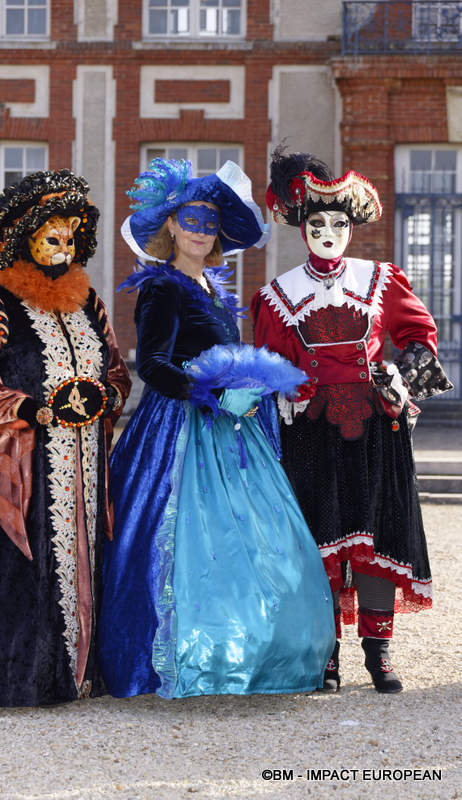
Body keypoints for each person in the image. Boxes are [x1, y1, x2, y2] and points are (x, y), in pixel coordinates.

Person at [97, 158, 335, 699]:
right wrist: (208, 391)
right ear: (171, 226)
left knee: (244, 544)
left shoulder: (210, 288)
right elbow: (152, 365)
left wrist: (245, 393)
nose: (201, 231)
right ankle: (173, 658)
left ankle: (243, 653)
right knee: (183, 543)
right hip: (179, 430)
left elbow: (228, 353)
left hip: (232, 431)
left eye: (210, 222)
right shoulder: (162, 287)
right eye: (191, 220)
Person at [251, 149, 453, 694]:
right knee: (321, 537)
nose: (328, 232)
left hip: (375, 425)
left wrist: (401, 383)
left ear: (352, 226)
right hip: (310, 428)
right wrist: (287, 388)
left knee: (375, 533)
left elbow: (420, 337)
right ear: (301, 227)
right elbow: (270, 364)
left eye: (339, 223)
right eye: (317, 223)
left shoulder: (382, 279)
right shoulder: (275, 297)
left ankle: (378, 651)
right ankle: (326, 651)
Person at [0, 169, 131, 707]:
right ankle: (20, 675)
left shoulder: (90, 308)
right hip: (21, 466)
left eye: (69, 238)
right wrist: (31, 408)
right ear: (25, 239)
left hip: (84, 467)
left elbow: (115, 373)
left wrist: (103, 398)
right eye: (50, 238)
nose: (61, 248)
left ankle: (83, 669)